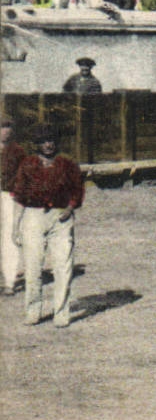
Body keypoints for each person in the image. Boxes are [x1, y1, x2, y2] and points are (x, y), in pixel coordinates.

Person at [8, 125, 84, 328]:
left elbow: (78, 190)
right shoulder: (27, 165)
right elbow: (19, 197)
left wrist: (69, 209)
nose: (48, 144)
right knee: (33, 267)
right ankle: (33, 311)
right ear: (37, 144)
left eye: (51, 140)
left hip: (60, 218)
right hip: (33, 217)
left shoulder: (67, 164)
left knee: (63, 267)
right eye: (43, 141)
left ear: (57, 142)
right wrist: (15, 227)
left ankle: (61, 313)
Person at [0, 118, 23, 295]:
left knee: (9, 237)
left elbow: (24, 175)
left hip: (9, 196)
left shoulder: (18, 151)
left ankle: (10, 281)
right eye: (2, 127)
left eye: (8, 127)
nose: (5, 131)